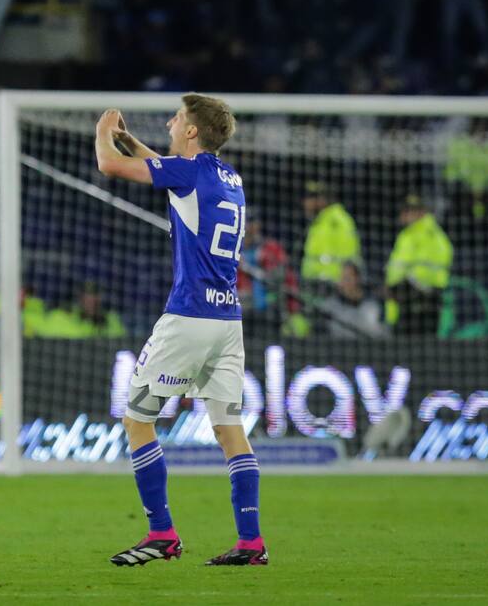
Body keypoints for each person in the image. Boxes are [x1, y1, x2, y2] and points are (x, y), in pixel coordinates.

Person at [95, 94, 266, 568]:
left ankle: (161, 533)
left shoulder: (188, 173)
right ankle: (251, 542)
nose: (170, 123)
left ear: (192, 131)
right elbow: (171, 171)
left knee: (137, 420)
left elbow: (108, 165)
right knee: (230, 429)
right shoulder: (229, 178)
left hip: (188, 318)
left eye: (177, 118)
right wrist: (137, 144)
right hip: (228, 322)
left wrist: (105, 130)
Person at [385, 194, 453, 335]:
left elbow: (430, 270)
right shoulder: (406, 235)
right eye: (406, 211)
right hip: (401, 301)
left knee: (421, 351)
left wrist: (408, 285)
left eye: (411, 211)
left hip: (423, 304)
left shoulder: (431, 234)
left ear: (422, 212)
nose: (405, 215)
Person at [299, 180, 360, 294]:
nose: (305, 203)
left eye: (309, 199)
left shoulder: (338, 220)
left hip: (333, 289)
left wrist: (344, 283)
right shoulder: (318, 222)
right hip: (312, 286)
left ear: (321, 200)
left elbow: (349, 257)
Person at [36, 281, 126, 338]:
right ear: (80, 298)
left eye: (95, 295)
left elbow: (122, 341)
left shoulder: (112, 320)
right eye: (87, 295)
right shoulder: (62, 317)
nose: (92, 300)